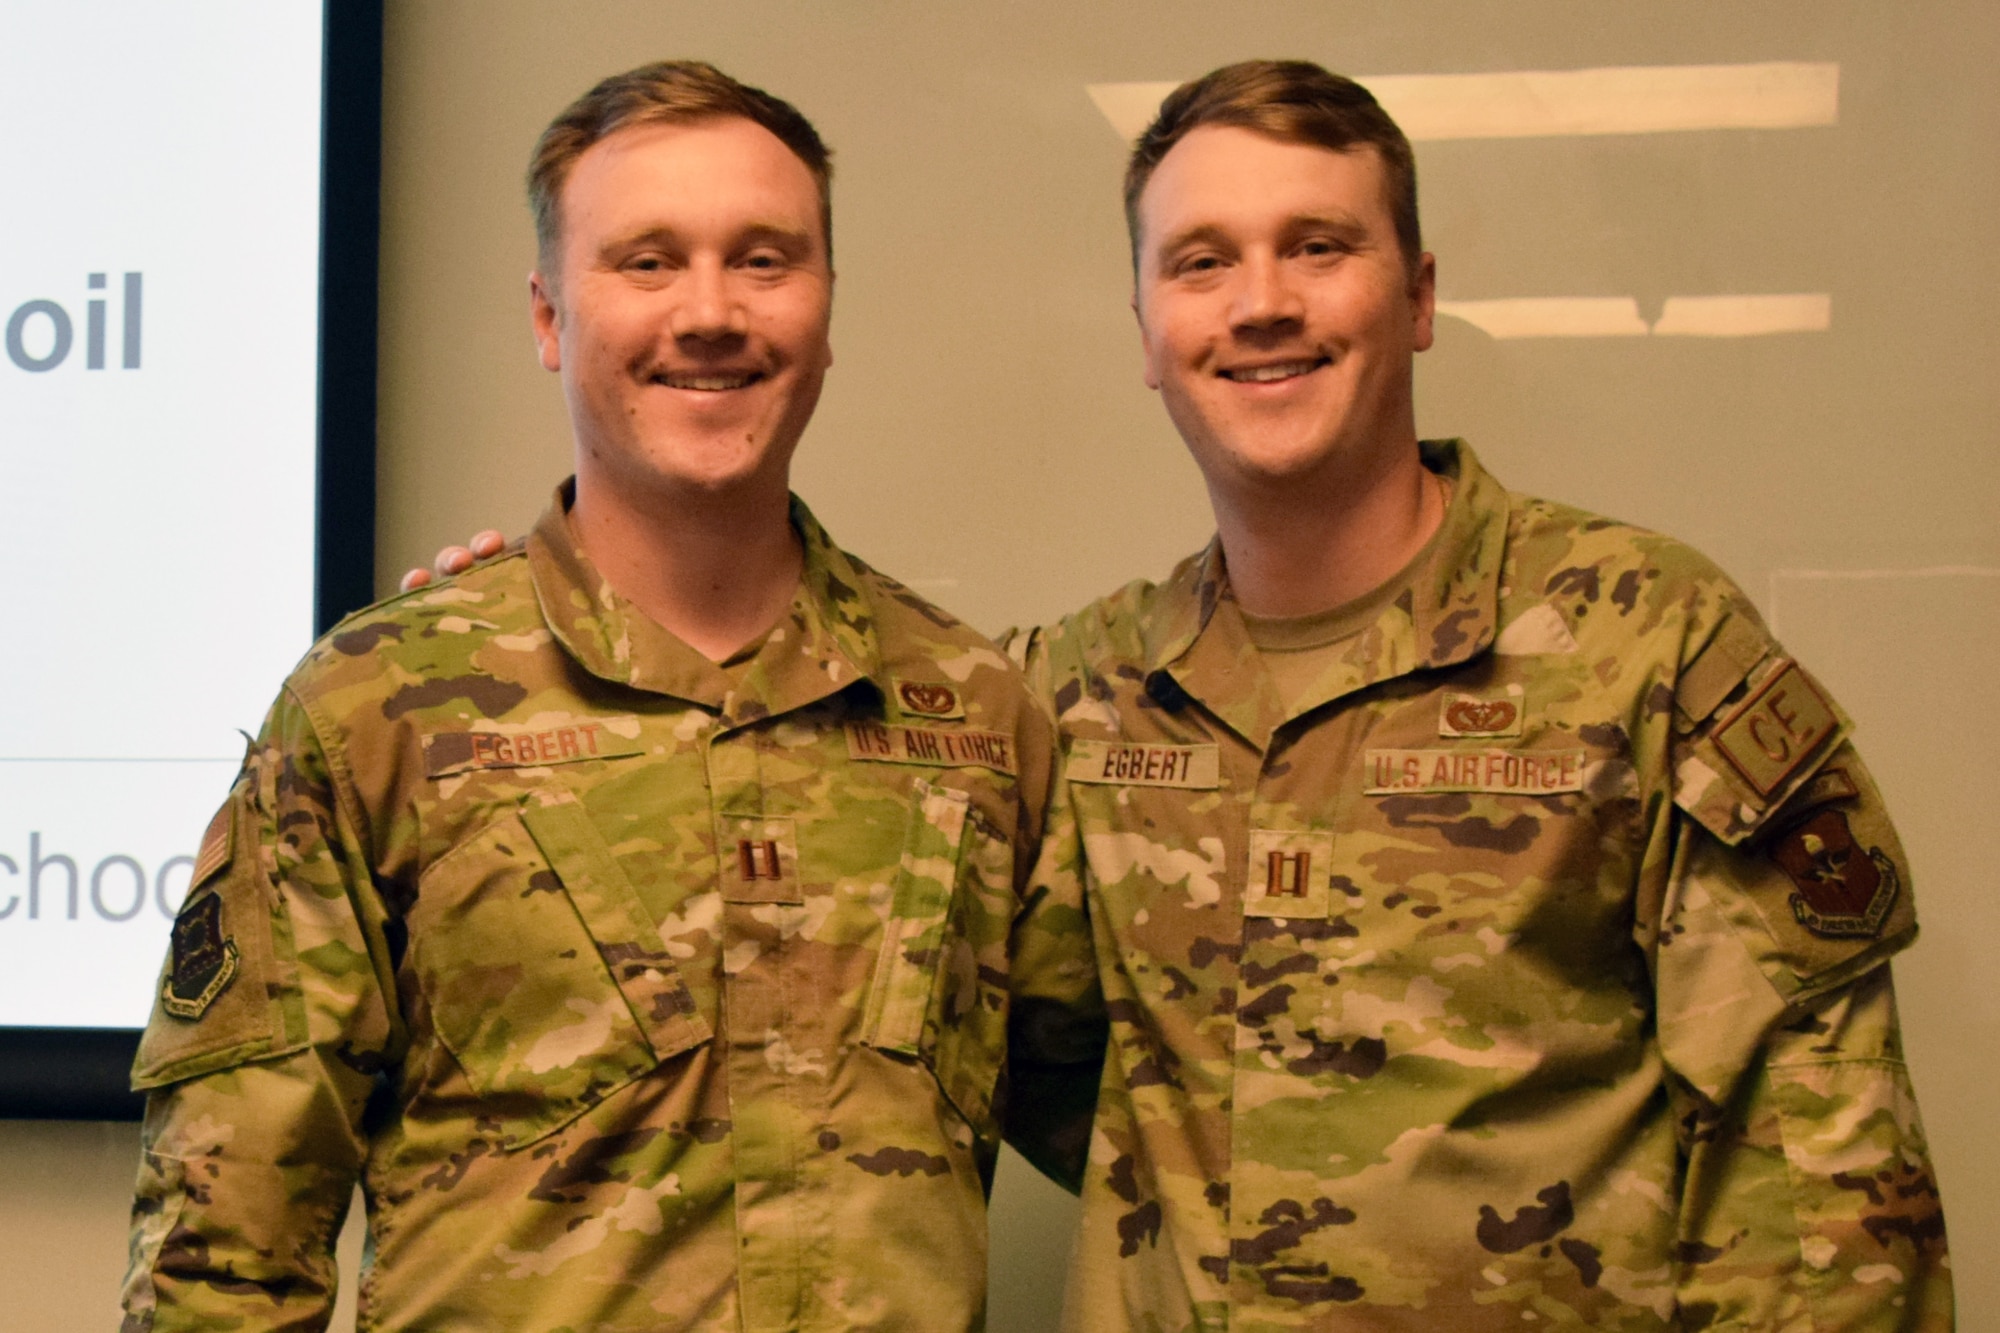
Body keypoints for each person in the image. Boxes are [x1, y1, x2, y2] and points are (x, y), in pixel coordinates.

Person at [122, 61, 1095, 1332]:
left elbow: (1163, 1136)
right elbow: (225, 1250)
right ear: (547, 316)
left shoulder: (971, 714)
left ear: (824, 305)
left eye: (762, 259)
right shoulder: (384, 708)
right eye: (645, 261)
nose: (709, 312)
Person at [1009, 60, 1952, 1330]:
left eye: (1318, 244)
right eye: (1200, 262)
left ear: (1417, 298)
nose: (1263, 303)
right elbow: (1031, 1054)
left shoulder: (1643, 639)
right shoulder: (1084, 693)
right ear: (1146, 332)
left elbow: (1820, 1182)